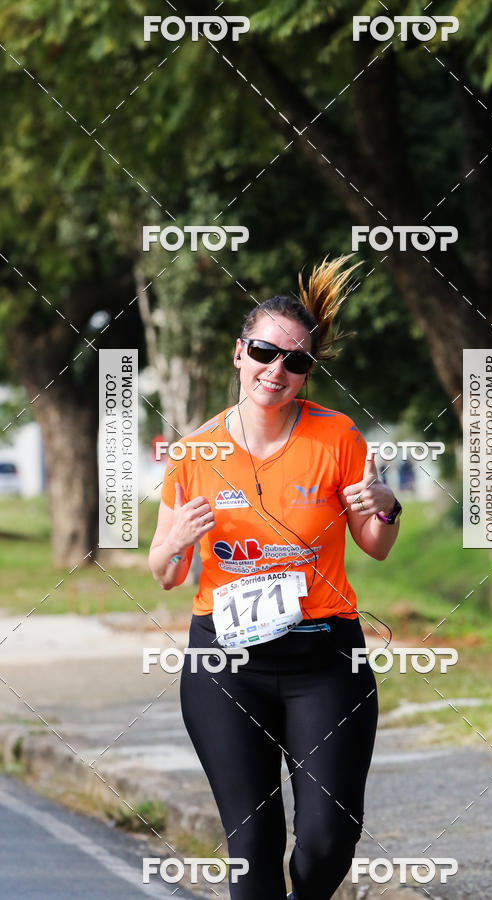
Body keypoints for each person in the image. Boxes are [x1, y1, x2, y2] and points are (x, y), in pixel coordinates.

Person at [149, 255, 402, 900]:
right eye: (264, 352)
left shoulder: (337, 438)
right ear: (239, 354)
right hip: (227, 667)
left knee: (325, 842)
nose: (277, 372)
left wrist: (385, 507)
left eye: (296, 362)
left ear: (307, 372)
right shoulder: (196, 453)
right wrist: (173, 542)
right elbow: (167, 573)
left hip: (325, 659)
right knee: (254, 848)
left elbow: (374, 546)